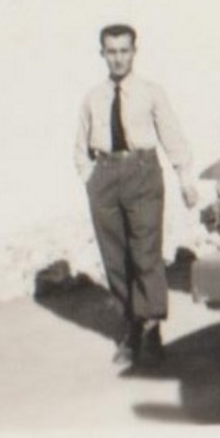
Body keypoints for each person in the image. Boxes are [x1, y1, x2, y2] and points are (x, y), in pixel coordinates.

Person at [72, 24, 198, 367]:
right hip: (105, 175)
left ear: (134, 51)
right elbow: (80, 145)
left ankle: (152, 328)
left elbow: (171, 134)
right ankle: (131, 326)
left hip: (142, 173)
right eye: (111, 51)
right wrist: (90, 178)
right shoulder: (93, 97)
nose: (118, 58)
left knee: (145, 253)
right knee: (115, 257)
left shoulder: (151, 92)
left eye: (124, 50)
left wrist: (185, 178)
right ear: (102, 54)